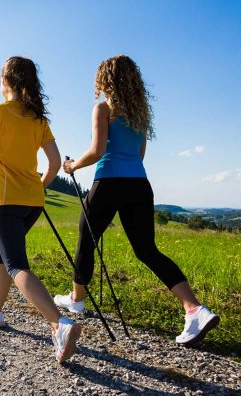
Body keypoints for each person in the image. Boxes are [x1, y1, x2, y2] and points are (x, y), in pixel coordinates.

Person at [54, 55, 219, 346]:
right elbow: (140, 155)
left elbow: (96, 150)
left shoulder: (103, 108)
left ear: (105, 80)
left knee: (85, 240)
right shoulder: (140, 113)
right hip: (139, 185)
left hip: (108, 182)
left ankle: (77, 300)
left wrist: (72, 167)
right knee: (147, 250)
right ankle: (194, 309)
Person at [0, 56, 82, 363]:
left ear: (7, 81)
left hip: (5, 200)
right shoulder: (39, 120)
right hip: (33, 201)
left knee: (16, 264)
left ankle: (60, 324)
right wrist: (39, 185)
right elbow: (54, 164)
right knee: (2, 255)